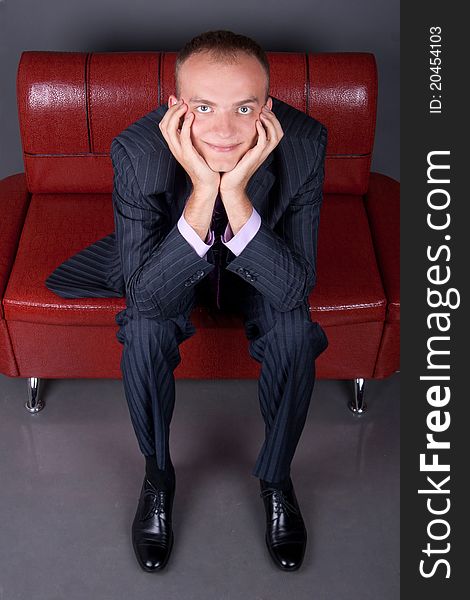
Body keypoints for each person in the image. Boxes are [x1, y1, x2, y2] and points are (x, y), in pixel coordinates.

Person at [45, 29, 329, 572]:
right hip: (172, 259)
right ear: (176, 108)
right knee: (146, 331)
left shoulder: (305, 141)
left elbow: (295, 287)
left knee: (294, 330)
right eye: (204, 107)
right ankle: (156, 476)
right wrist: (204, 190)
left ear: (267, 108)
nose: (224, 130)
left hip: (261, 264)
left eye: (244, 108)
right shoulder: (138, 150)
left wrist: (237, 195)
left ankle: (276, 478)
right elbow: (147, 297)